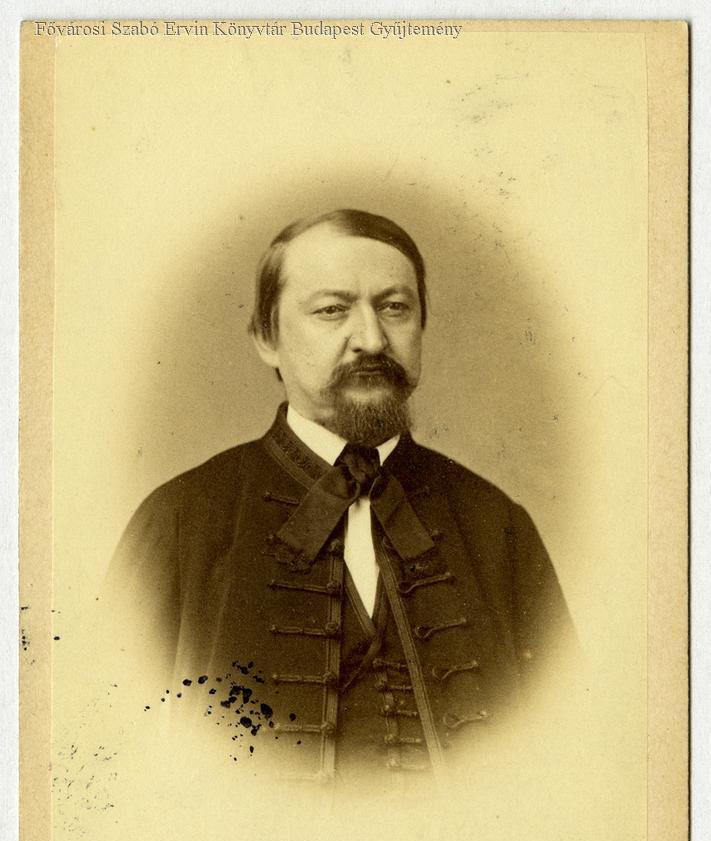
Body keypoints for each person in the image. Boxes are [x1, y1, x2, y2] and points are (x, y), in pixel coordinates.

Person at [108, 208, 576, 785]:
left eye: (395, 307)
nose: (373, 340)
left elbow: (566, 763)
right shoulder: (181, 520)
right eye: (332, 310)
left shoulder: (495, 523)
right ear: (266, 339)